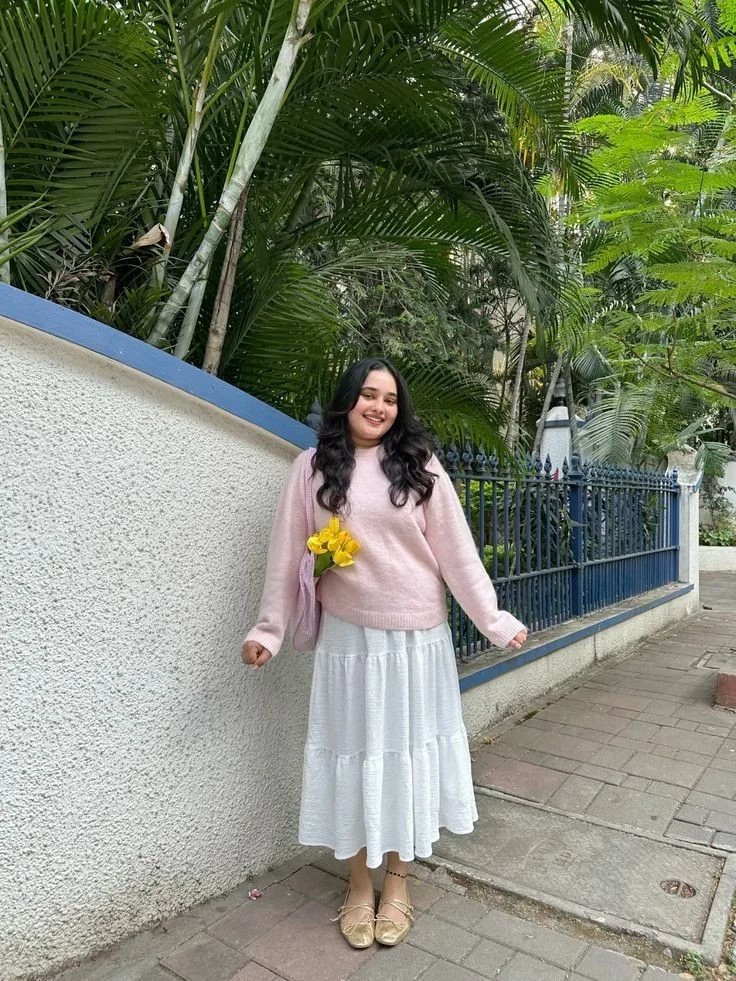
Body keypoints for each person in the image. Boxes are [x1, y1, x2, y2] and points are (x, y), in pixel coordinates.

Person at [242, 358, 527, 950]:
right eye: (368, 395)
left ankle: (396, 884)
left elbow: (458, 554)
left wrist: (494, 621)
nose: (378, 407)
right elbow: (285, 554)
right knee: (354, 754)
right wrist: (270, 630)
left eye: (390, 399)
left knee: (400, 757)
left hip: (415, 641)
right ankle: (355, 884)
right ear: (347, 400)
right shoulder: (311, 469)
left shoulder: (420, 467)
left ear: (400, 409)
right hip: (348, 641)